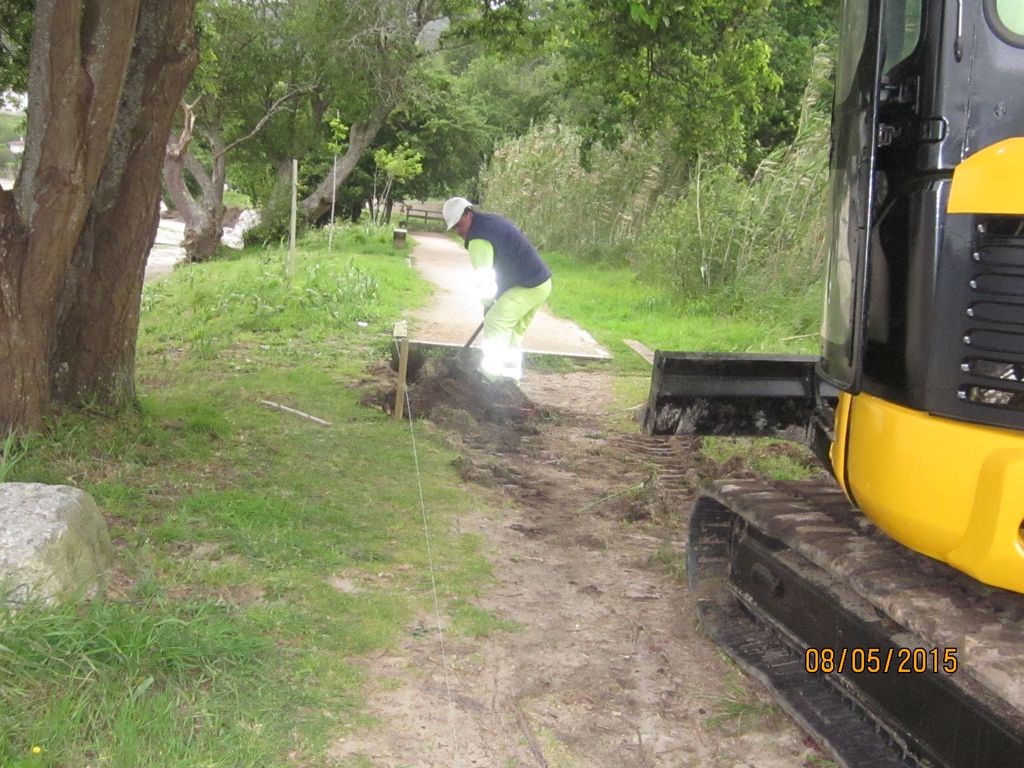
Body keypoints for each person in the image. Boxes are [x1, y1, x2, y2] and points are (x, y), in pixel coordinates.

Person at [442, 196, 552, 382]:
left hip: (526, 286)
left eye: (459, 225)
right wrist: (491, 301)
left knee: (496, 322)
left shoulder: (478, 238)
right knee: (512, 335)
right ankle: (510, 382)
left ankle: (488, 378)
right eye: (454, 228)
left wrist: (488, 304)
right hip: (541, 284)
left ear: (468, 214)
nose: (458, 231)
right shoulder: (489, 222)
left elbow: (483, 278)